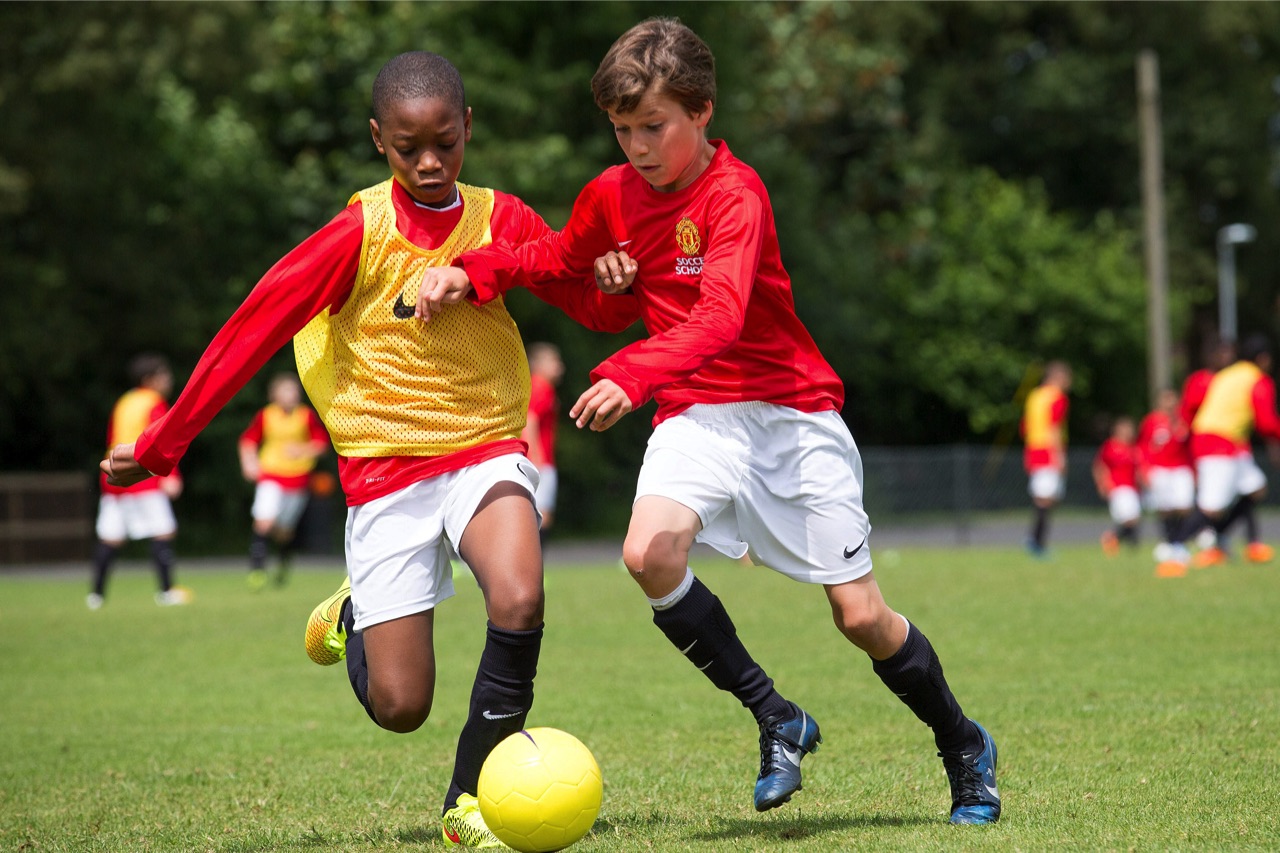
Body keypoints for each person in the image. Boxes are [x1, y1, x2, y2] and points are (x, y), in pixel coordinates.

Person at [416, 17, 1000, 825]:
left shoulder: (736, 195)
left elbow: (721, 318)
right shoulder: (611, 194)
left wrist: (630, 369)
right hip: (696, 412)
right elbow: (556, 262)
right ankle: (776, 714)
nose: (638, 147)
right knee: (647, 554)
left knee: (860, 615)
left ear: (702, 112)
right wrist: (471, 273)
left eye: (653, 126)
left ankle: (964, 744)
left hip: (791, 414)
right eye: (622, 130)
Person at [100, 51, 638, 848]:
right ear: (378, 138)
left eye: (445, 143)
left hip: (485, 449)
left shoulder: (502, 217)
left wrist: (618, 285)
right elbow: (252, 331)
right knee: (400, 705)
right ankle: (356, 611)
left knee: (521, 599)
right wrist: (164, 443)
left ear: (467, 130)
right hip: (385, 477)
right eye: (408, 146)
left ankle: (469, 803)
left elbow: (583, 302)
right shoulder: (356, 231)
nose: (430, 162)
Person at [1156, 334, 1280, 577]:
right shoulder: (1257, 379)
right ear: (1263, 359)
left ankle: (1219, 540)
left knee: (1255, 488)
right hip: (1218, 442)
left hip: (1225, 441)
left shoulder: (1228, 375)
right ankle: (1174, 548)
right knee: (1211, 507)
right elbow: (1266, 422)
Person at [88, 354, 191, 610]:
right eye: (163, 375)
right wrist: (172, 476)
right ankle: (166, 592)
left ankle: (96, 596)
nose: (168, 379)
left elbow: (112, 439)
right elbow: (164, 443)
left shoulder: (123, 402)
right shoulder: (154, 402)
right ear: (150, 380)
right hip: (141, 476)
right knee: (163, 530)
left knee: (110, 536)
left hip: (114, 476)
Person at [238, 372, 330, 589]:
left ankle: (283, 563)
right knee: (263, 521)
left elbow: (321, 444)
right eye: (286, 390)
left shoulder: (305, 416)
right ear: (274, 394)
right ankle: (257, 571)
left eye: (294, 390)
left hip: (297, 481)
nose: (291, 394)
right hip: (270, 475)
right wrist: (248, 462)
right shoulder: (266, 415)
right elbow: (247, 440)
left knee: (284, 532)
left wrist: (303, 449)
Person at [1021, 361, 1072, 558]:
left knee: (1042, 497)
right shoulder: (1056, 397)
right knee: (1047, 499)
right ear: (1058, 377)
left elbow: (1026, 428)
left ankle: (1035, 540)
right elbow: (1054, 428)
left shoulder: (1034, 396)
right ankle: (1037, 542)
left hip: (1033, 450)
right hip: (1048, 451)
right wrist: (1059, 456)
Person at [1137, 388, 1194, 560]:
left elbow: (1189, 446)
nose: (1170, 404)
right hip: (1160, 469)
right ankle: (1169, 541)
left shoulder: (1183, 422)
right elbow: (1143, 447)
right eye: (1166, 400)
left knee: (1184, 506)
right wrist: (1144, 469)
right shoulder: (1151, 422)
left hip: (1181, 469)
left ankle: (1179, 540)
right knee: (1165, 508)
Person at [522, 342, 565, 539]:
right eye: (554, 361)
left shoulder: (532, 385)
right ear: (539, 364)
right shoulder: (542, 387)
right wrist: (535, 457)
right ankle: (534, 565)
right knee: (542, 515)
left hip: (537, 459)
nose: (559, 367)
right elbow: (530, 419)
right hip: (541, 461)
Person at [1093, 416, 1141, 555]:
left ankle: (1125, 544)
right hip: (1118, 487)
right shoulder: (1110, 447)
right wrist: (1102, 483)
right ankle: (1114, 539)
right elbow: (1100, 466)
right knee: (1129, 518)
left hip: (1132, 488)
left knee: (1132, 518)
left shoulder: (1133, 448)